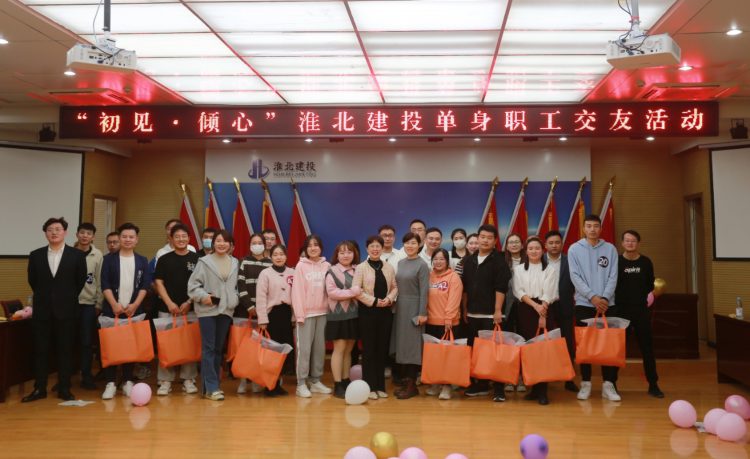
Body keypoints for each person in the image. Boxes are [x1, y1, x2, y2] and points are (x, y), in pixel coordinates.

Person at [22, 217, 87, 403]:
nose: (54, 232)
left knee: (65, 351)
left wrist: (63, 297)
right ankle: (39, 389)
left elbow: (80, 281)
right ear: (45, 233)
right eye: (50, 229)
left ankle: (64, 389)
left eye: (58, 229)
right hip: (42, 311)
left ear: (65, 232)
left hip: (66, 311)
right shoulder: (36, 255)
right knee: (40, 351)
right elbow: (33, 281)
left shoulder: (77, 255)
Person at [568, 214, 620, 402]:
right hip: (584, 304)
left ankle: (608, 384)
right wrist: (592, 297)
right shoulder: (574, 249)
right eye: (589, 226)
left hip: (607, 305)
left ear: (600, 228)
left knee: (608, 346)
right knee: (585, 346)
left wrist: (604, 298)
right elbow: (575, 277)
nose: (592, 229)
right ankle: (586, 383)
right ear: (583, 228)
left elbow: (613, 275)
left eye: (596, 226)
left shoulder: (610, 249)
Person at [100, 222, 151, 400]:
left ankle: (128, 381)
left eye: (131, 237)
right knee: (111, 346)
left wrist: (135, 305)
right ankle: (110, 383)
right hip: (112, 311)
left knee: (130, 347)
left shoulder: (142, 260)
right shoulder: (109, 259)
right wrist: (114, 304)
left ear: (136, 240)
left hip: (133, 311)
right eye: (124, 236)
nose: (128, 239)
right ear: (119, 238)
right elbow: (104, 284)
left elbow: (145, 285)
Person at [460, 224, 511, 402]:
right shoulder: (469, 260)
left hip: (492, 315)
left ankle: (499, 388)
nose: (485, 240)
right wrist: (465, 309)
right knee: (477, 352)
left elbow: (501, 287)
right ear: (478, 238)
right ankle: (481, 384)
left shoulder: (499, 260)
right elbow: (465, 288)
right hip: (473, 314)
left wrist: (497, 310)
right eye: (482, 237)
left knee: (495, 352)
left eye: (489, 238)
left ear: (495, 240)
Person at [188, 230, 239, 401]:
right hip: (207, 311)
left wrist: (234, 299)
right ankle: (211, 388)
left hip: (226, 310)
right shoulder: (204, 261)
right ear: (213, 243)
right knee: (208, 348)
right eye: (218, 240)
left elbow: (237, 286)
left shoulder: (235, 262)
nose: (221, 244)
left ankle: (211, 386)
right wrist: (204, 297)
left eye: (225, 241)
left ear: (230, 245)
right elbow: (193, 286)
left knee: (218, 349)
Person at [615, 230, 664, 398]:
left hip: (641, 312)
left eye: (633, 241)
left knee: (647, 349)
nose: (630, 243)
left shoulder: (645, 262)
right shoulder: (617, 262)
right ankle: (611, 384)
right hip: (621, 312)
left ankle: (653, 384)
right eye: (627, 240)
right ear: (622, 243)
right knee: (617, 350)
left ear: (638, 243)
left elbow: (650, 285)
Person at [153, 223, 199, 396]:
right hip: (167, 309)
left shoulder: (197, 259)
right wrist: (169, 303)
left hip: (190, 309)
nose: (181, 239)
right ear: (171, 239)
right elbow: (158, 283)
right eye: (177, 236)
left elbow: (201, 284)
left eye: (184, 236)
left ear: (189, 238)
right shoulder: (164, 259)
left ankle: (188, 379)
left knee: (189, 343)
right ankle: (165, 380)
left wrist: (189, 301)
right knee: (166, 344)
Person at [513, 237, 559, 405]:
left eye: (537, 248)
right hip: (526, 310)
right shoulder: (519, 269)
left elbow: (549, 292)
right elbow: (518, 291)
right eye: (530, 248)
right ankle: (533, 387)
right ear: (526, 251)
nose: (534, 251)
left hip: (545, 310)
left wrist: (542, 314)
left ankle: (543, 391)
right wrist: (535, 306)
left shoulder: (550, 269)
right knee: (529, 350)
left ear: (542, 250)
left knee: (542, 351)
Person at [353, 235, 398, 400]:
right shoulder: (361, 267)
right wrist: (374, 301)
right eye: (372, 246)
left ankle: (380, 386)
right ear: (367, 249)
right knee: (369, 350)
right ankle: (369, 386)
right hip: (367, 313)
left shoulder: (388, 267)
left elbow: (395, 287)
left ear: (382, 248)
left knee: (381, 349)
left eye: (378, 246)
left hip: (385, 313)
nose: (375, 249)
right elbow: (356, 290)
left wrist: (389, 299)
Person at [291, 235, 332, 398]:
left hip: (323, 313)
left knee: (319, 350)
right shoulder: (300, 266)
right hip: (306, 315)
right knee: (304, 350)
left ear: (321, 247)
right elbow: (297, 292)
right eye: (309, 245)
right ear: (305, 249)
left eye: (316, 245)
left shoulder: (327, 266)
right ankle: (301, 384)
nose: (313, 248)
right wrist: (300, 315)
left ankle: (315, 381)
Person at [392, 232, 430, 399]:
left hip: (414, 309)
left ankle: (412, 385)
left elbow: (424, 291)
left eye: (413, 243)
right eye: (407, 243)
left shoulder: (422, 265)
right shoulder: (400, 263)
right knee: (402, 347)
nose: (410, 246)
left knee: (413, 348)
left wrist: (422, 313)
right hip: (400, 308)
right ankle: (405, 381)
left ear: (419, 245)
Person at [235, 232, 273, 394]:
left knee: (260, 347)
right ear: (250, 245)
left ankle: (257, 379)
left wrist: (262, 309)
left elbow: (272, 289)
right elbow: (240, 285)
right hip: (246, 311)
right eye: (254, 243)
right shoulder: (243, 262)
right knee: (245, 347)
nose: (257, 245)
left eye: (259, 242)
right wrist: (249, 306)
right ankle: (243, 380)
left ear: (264, 245)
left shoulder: (270, 263)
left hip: (264, 312)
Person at [256, 244, 295, 397]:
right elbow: (261, 297)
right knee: (271, 351)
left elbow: (296, 296)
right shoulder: (265, 273)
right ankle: (269, 386)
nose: (279, 257)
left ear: (286, 256)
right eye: (275, 254)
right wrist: (262, 319)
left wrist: (294, 317)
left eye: (281, 254)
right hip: (272, 316)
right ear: (270, 257)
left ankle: (277, 384)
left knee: (284, 351)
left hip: (287, 315)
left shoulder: (292, 272)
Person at [324, 241, 362, 398]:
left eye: (349, 252)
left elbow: (363, 290)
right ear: (337, 255)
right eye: (342, 252)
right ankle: (338, 383)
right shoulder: (331, 271)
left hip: (354, 315)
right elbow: (332, 293)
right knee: (339, 349)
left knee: (348, 350)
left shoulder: (358, 270)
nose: (346, 255)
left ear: (354, 254)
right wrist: (353, 292)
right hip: (337, 316)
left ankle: (346, 380)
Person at [424, 248, 463, 400]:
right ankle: (435, 383)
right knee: (433, 357)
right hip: (430, 321)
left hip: (448, 323)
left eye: (442, 259)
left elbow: (454, 299)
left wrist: (449, 319)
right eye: (435, 259)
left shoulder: (454, 277)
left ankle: (447, 386)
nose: (438, 262)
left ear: (447, 261)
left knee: (447, 357)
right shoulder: (428, 276)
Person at [544, 230, 579, 392]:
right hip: (545, 307)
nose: (554, 245)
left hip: (564, 305)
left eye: (557, 242)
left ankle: (569, 379)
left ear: (562, 244)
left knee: (567, 342)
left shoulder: (569, 260)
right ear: (545, 245)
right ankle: (545, 378)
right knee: (545, 342)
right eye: (551, 243)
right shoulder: (539, 260)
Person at [73, 222, 103, 390]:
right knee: (67, 341)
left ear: (93, 237)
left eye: (88, 233)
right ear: (77, 234)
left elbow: (99, 281)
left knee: (86, 342)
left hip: (88, 305)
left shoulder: (97, 255)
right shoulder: (68, 252)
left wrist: (99, 303)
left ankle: (86, 376)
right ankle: (65, 377)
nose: (85, 236)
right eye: (82, 232)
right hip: (69, 305)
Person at [503, 232, 526, 392]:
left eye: (517, 241)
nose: (514, 244)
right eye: (511, 242)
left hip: (525, 305)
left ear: (522, 245)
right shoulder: (502, 262)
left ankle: (522, 377)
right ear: (507, 246)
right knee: (509, 342)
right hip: (507, 306)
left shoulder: (529, 260)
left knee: (523, 340)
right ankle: (509, 378)